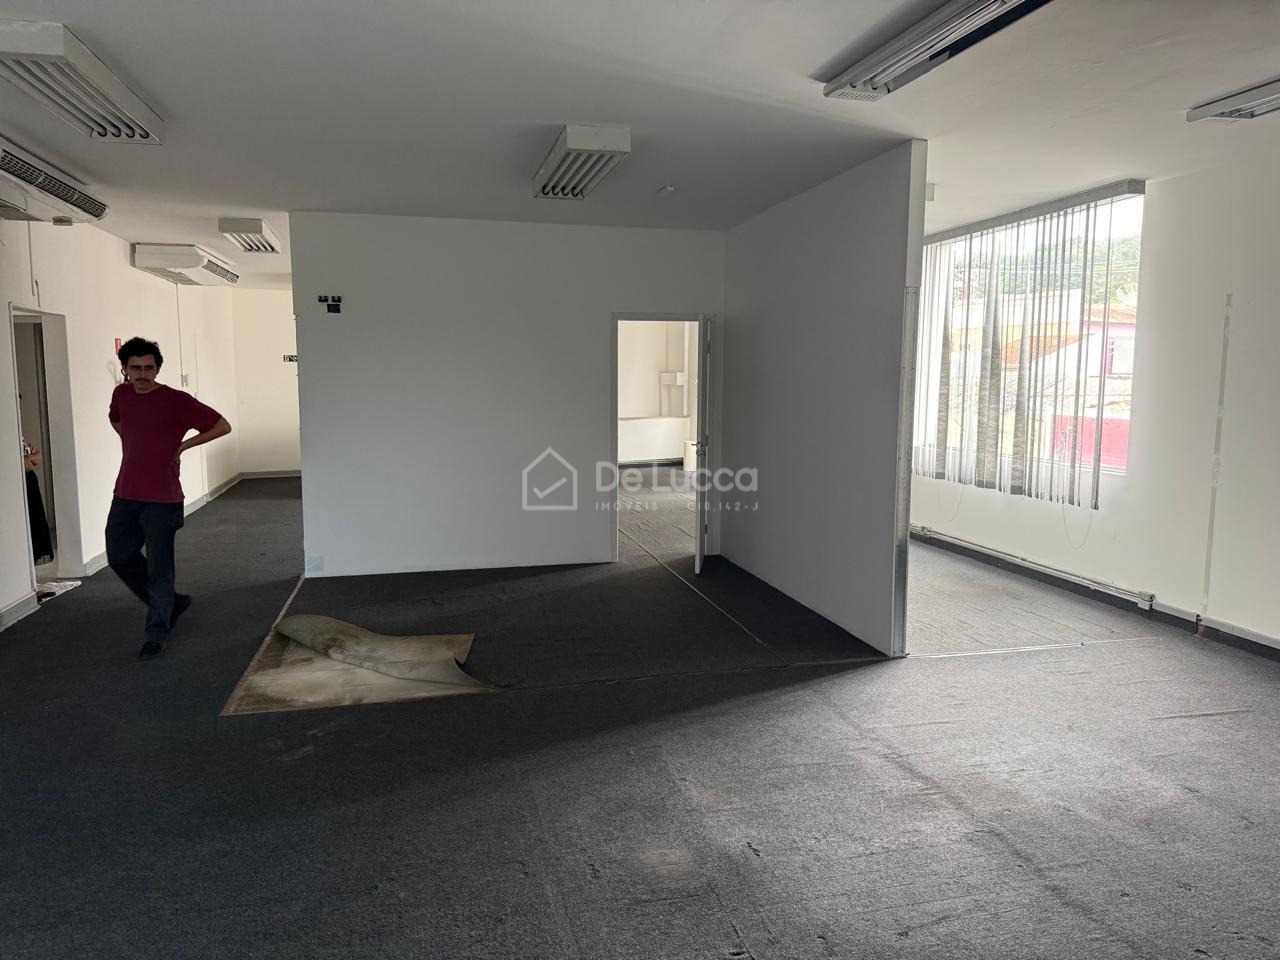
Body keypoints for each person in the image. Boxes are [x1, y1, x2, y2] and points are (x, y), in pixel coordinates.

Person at [106, 337, 231, 659]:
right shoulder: (121, 394)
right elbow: (116, 418)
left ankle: (157, 631)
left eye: (149, 368)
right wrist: (131, 442)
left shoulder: (177, 400)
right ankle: (170, 603)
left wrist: (184, 445)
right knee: (119, 556)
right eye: (136, 368)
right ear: (125, 369)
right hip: (125, 494)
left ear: (158, 369)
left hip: (162, 498)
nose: (143, 374)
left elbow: (222, 426)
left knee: (159, 568)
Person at [22, 434, 54, 565]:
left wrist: (28, 458)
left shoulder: (20, 439)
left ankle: (39, 554)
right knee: (28, 517)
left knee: (37, 515)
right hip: (22, 480)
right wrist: (28, 459)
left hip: (30, 479)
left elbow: (38, 458)